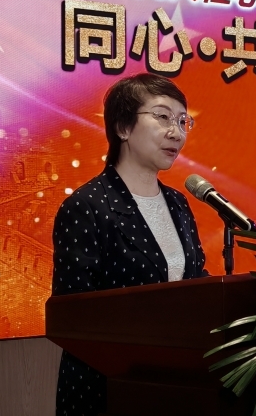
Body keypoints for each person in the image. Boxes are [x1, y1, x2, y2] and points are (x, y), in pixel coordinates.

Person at [51, 73, 207, 416]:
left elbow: (194, 283)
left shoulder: (178, 203)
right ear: (123, 127)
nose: (176, 132)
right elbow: (72, 314)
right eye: (163, 117)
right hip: (107, 385)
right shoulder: (87, 205)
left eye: (182, 121)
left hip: (173, 382)